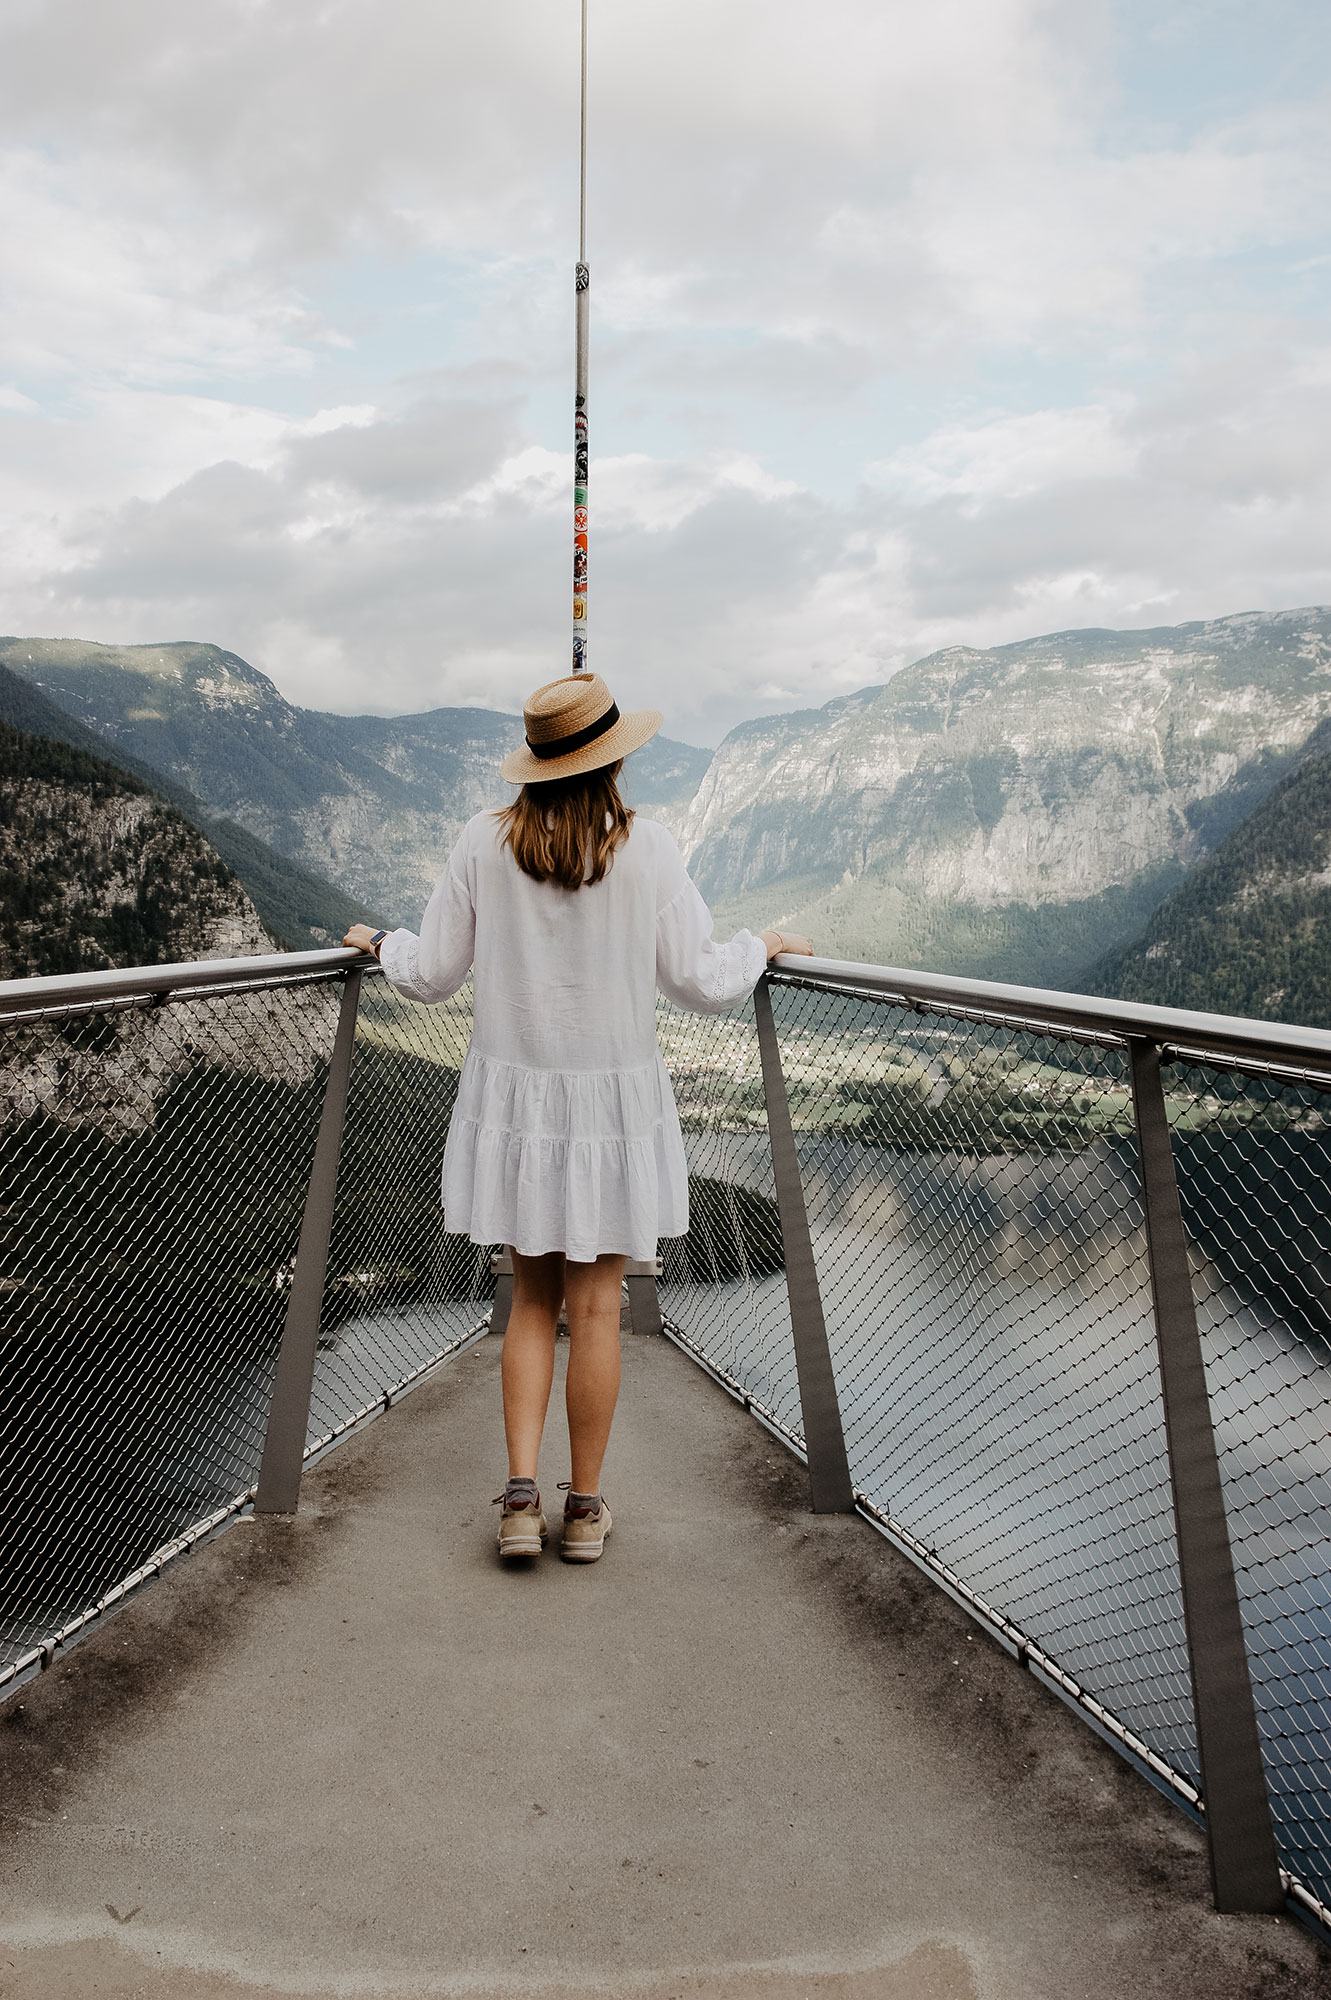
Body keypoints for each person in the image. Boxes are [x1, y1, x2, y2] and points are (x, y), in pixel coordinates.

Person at [344, 672, 812, 1564]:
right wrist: (767, 944)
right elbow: (702, 981)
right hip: (611, 1104)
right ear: (612, 758)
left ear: (534, 761)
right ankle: (584, 1511)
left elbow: (431, 973)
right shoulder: (649, 848)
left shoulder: (482, 845)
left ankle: (520, 1502)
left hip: (515, 1100)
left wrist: (377, 943)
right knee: (597, 1310)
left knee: (530, 1303)